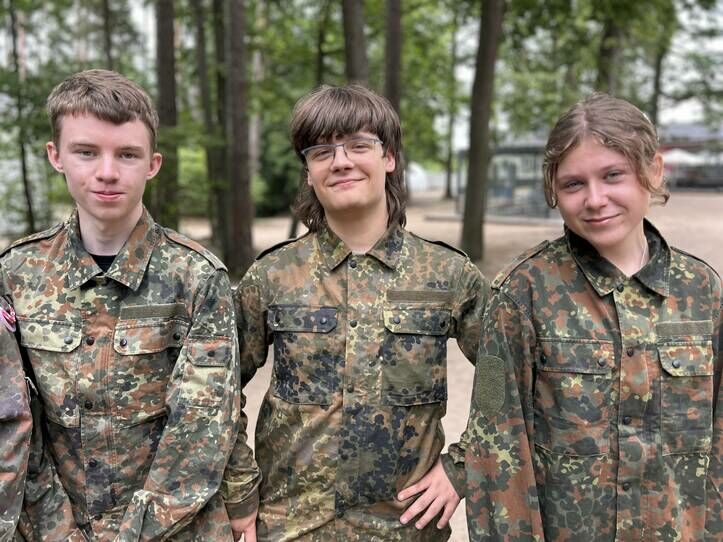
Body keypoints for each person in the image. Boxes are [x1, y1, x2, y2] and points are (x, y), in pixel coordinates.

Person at [221, 84, 488, 541]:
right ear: (309, 172)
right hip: (291, 528)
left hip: (405, 529)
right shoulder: (273, 276)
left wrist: (463, 466)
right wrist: (240, 492)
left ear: (389, 157)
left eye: (358, 146)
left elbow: (510, 376)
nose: (340, 162)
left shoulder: (448, 274)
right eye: (322, 152)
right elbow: (215, 388)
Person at [451, 93, 722, 541]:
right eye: (573, 184)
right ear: (552, 191)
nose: (595, 199)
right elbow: (496, 452)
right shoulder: (523, 293)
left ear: (654, 170)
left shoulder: (702, 291)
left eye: (613, 175)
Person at [0, 69, 251, 541]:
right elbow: (13, 426)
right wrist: (60, 533)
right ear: (55, 156)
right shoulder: (15, 274)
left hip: (175, 529)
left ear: (152, 164)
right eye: (86, 152)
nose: (108, 172)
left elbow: (202, 431)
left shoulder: (196, 277)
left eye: (127, 154)